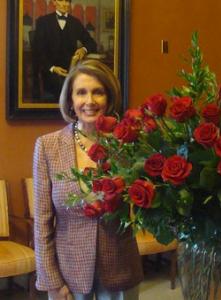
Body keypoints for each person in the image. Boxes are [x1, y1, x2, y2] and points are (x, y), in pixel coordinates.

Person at [33, 58, 143, 300]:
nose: (90, 101)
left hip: (120, 266)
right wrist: (51, 280)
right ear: (70, 100)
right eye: (81, 92)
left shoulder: (128, 143)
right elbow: (42, 222)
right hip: (69, 273)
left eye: (98, 92)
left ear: (109, 97)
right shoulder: (47, 146)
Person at [32, 0, 97, 102]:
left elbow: (92, 43)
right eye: (62, 0)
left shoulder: (75, 22)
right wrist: (53, 68)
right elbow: (38, 51)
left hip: (71, 71)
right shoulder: (43, 22)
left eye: (67, 1)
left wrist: (83, 50)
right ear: (54, 2)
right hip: (50, 71)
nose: (65, 4)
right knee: (61, 88)